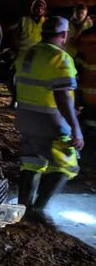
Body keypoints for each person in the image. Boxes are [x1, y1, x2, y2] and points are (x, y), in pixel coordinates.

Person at [15, 16, 84, 221]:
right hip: (52, 120)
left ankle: (22, 208)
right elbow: (62, 95)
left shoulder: (28, 54)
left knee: (31, 162)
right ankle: (37, 208)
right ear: (64, 35)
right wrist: (75, 127)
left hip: (26, 118)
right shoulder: (61, 58)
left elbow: (16, 83)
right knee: (66, 165)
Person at [8, 0, 47, 107]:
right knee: (16, 79)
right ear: (32, 8)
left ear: (44, 10)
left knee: (36, 80)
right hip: (23, 55)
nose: (39, 10)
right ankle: (15, 99)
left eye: (41, 8)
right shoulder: (23, 20)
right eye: (37, 7)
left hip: (38, 57)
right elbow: (14, 33)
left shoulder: (46, 22)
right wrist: (15, 47)